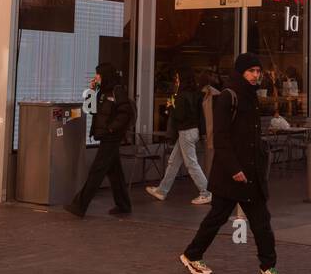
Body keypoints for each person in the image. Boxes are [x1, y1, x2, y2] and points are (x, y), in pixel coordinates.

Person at [180, 53, 288, 274]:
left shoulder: (251, 97)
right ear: (241, 72)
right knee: (218, 218)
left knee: (260, 222)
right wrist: (234, 169)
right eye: (251, 71)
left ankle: (267, 268)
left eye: (258, 71)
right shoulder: (228, 97)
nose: (256, 75)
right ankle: (192, 255)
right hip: (234, 175)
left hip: (250, 173)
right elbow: (221, 138)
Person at [65, 62, 135, 218]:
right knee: (115, 172)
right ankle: (123, 205)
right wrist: (92, 90)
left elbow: (125, 113)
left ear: (105, 75)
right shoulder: (102, 92)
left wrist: (111, 128)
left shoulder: (117, 91)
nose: (96, 77)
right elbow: (89, 109)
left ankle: (79, 205)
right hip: (106, 137)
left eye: (98, 74)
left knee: (97, 171)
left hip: (111, 137)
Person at [146, 68, 211, 205]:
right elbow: (201, 116)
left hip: (185, 132)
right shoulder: (197, 94)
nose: (176, 80)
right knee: (173, 162)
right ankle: (162, 191)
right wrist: (203, 133)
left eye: (177, 78)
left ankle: (206, 192)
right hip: (194, 131)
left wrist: (171, 106)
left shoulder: (180, 96)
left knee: (191, 164)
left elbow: (180, 116)